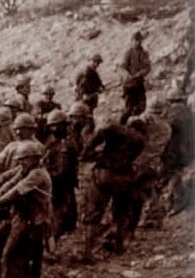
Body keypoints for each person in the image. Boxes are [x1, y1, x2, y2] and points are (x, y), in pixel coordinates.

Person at [0, 141, 52, 278]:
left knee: (11, 254)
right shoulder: (25, 170)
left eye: (23, 159)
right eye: (19, 160)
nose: (20, 163)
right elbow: (9, 182)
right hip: (19, 216)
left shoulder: (37, 174)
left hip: (34, 220)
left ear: (34, 159)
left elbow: (16, 192)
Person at [79, 121, 144, 263]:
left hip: (104, 173)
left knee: (94, 213)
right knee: (121, 213)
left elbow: (99, 133)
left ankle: (87, 252)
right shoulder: (140, 140)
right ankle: (119, 246)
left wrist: (87, 152)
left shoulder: (117, 129)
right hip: (124, 177)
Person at [126, 99, 171, 231]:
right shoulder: (166, 128)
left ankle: (129, 221)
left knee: (134, 191)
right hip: (154, 162)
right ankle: (154, 218)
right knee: (150, 189)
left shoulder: (146, 120)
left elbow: (131, 124)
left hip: (139, 161)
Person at [42, 109, 79, 243]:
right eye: (52, 125)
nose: (54, 128)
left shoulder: (64, 143)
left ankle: (53, 240)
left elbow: (63, 169)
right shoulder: (54, 141)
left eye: (56, 125)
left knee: (61, 211)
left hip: (60, 182)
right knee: (60, 211)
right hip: (58, 182)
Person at [121, 32, 151, 124]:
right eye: (135, 40)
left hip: (139, 83)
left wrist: (141, 73)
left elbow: (147, 68)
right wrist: (126, 74)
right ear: (132, 41)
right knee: (129, 107)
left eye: (139, 40)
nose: (137, 43)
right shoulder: (128, 53)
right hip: (129, 85)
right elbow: (123, 67)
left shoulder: (144, 53)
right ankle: (124, 125)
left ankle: (137, 124)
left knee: (141, 106)